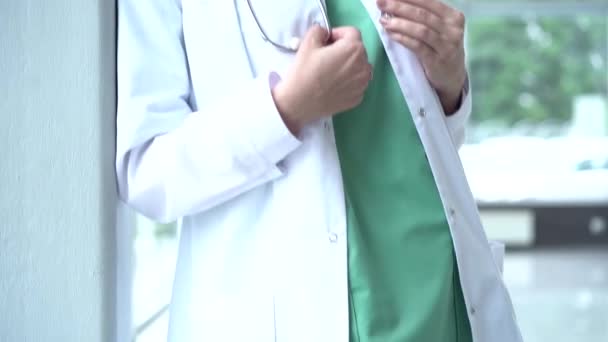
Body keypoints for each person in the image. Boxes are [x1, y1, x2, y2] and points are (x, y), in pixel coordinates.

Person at [116, 0, 523, 341]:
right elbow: (146, 170)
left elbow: (422, 132)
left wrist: (450, 84)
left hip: (441, 302)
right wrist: (285, 109)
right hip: (286, 314)